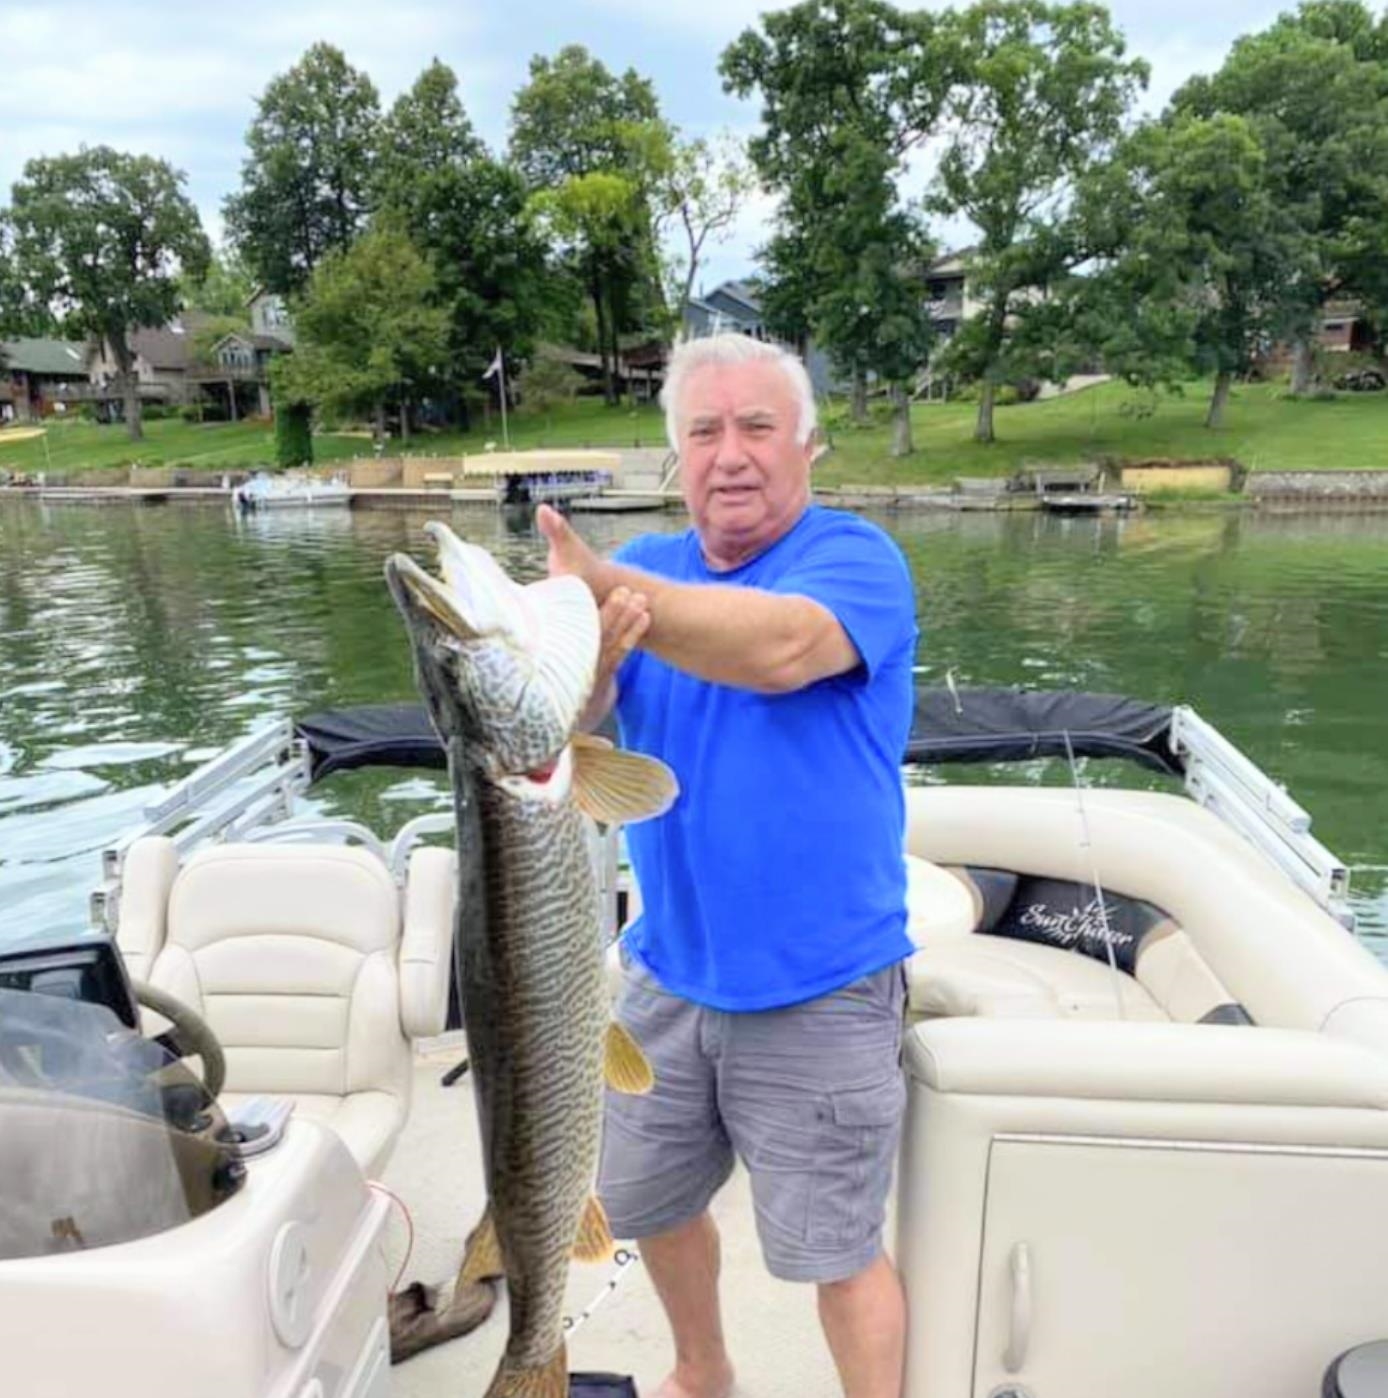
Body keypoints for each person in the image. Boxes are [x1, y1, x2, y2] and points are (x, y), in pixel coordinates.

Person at [537, 332, 918, 1398]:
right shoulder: (644, 573)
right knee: (650, 1203)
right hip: (665, 973)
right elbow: (569, 739)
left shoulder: (855, 560)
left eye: (757, 426)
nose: (730, 453)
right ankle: (703, 1374)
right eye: (703, 431)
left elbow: (779, 648)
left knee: (834, 1251)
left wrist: (596, 589)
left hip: (822, 984)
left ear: (808, 448)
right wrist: (589, 673)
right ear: (674, 457)